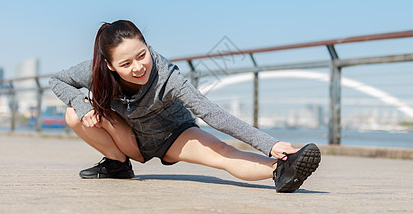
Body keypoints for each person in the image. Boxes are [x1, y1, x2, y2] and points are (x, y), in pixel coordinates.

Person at [49, 20, 321, 193]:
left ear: (147, 46)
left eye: (141, 55)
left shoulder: (169, 78)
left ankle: (282, 170)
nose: (138, 67)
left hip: (174, 135)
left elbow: (212, 113)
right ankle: (117, 165)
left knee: (223, 154)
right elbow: (57, 80)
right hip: (130, 139)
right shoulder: (95, 71)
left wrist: (269, 143)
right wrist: (82, 105)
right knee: (74, 114)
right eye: (125, 64)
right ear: (109, 65)